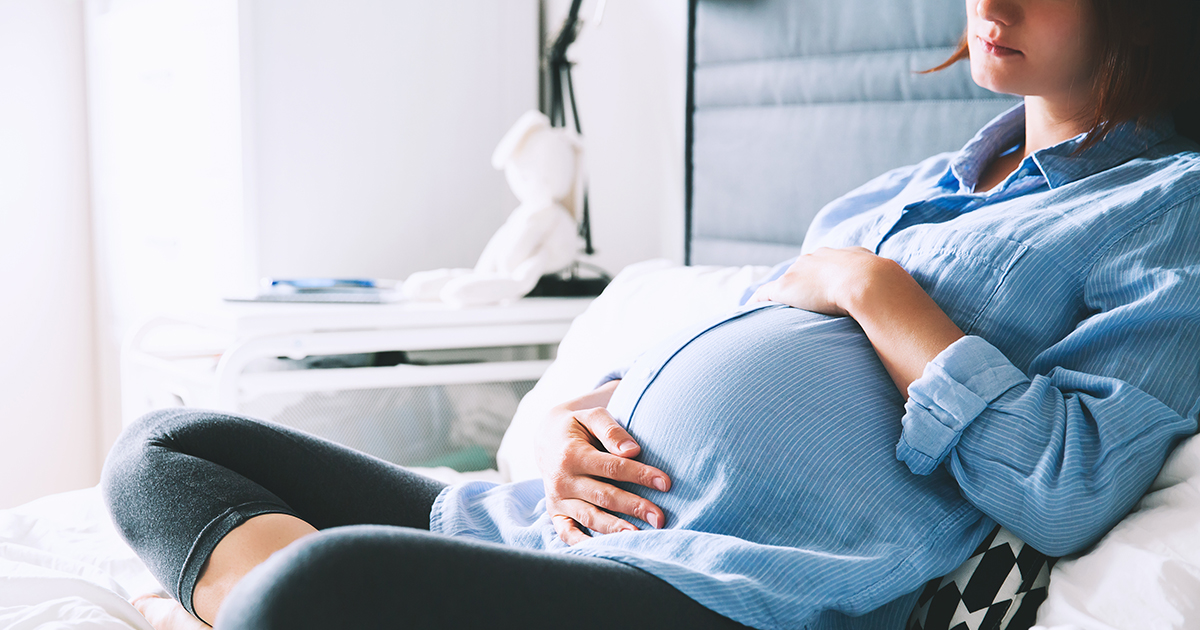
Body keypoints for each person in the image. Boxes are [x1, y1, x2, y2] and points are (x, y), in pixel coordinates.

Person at [103, 0, 1200, 628]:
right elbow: (745, 326)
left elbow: (1067, 488)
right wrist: (586, 420)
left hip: (719, 591)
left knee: (309, 584)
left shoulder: (1167, 209)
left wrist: (877, 292)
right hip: (557, 525)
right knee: (165, 447)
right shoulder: (907, 188)